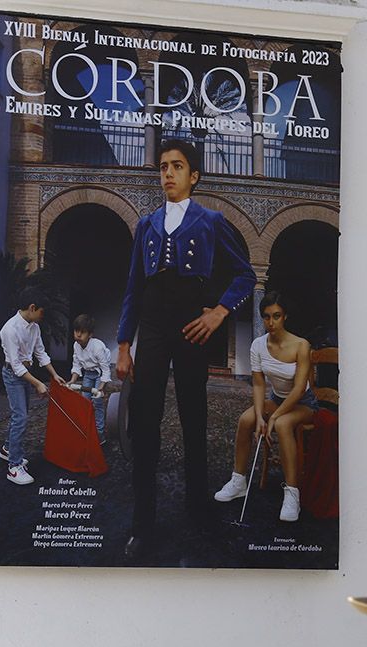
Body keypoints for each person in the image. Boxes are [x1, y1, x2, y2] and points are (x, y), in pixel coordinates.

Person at [115, 139, 257, 557]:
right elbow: (132, 289)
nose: (168, 174)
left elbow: (245, 276)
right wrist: (124, 344)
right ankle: (143, 523)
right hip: (153, 327)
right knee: (145, 423)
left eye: (177, 167)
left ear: (194, 176)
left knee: (194, 419)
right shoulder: (146, 225)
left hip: (193, 327)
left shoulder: (211, 221)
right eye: (163, 167)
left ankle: (198, 510)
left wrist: (218, 312)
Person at [214, 291, 318, 522]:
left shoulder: (301, 345)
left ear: (285, 317)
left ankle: (292, 494)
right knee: (246, 420)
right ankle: (239, 481)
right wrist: (261, 416)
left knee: (281, 424)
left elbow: (300, 388)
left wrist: (273, 417)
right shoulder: (258, 345)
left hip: (303, 402)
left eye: (277, 316)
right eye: (266, 317)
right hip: (277, 399)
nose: (271, 322)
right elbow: (259, 385)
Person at [0, 286, 64, 485]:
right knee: (21, 417)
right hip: (13, 374)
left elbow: (40, 353)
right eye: (42, 311)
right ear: (33, 307)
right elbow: (16, 366)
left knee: (21, 413)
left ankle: (8, 449)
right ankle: (14, 466)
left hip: (25, 374)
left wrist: (54, 375)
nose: (44, 316)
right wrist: (38, 384)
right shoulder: (9, 330)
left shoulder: (34, 327)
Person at [70, 313, 112, 444]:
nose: (78, 335)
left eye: (82, 332)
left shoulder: (98, 347)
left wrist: (100, 388)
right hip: (88, 374)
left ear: (90, 334)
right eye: (76, 331)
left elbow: (106, 369)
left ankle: (100, 433)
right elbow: (76, 364)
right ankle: (85, 431)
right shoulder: (76, 346)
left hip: (99, 373)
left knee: (97, 402)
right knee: (84, 402)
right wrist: (72, 381)